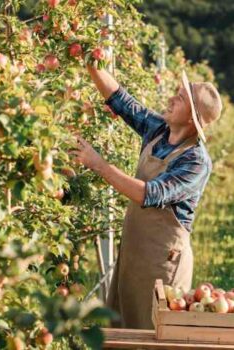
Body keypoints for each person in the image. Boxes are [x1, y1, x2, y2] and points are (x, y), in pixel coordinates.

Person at [71, 66, 222, 329]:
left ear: (192, 119)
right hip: (133, 255)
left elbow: (150, 193)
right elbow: (120, 99)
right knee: (121, 333)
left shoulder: (195, 161)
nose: (172, 99)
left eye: (181, 97)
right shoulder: (159, 131)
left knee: (153, 335)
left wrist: (99, 164)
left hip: (162, 265)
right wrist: (89, 59)